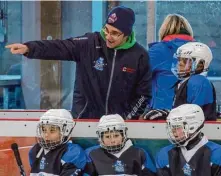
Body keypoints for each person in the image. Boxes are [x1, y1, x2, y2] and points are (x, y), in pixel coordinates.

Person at [5, 6, 151, 119]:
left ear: (127, 34)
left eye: (114, 33)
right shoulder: (89, 44)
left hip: (118, 130)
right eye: (106, 30)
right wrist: (29, 48)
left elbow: (143, 94)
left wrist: (126, 119)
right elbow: (59, 47)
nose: (108, 36)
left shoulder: (139, 56)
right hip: (84, 121)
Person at [144, 42, 216, 120]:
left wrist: (168, 114)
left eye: (185, 61)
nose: (179, 64)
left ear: (200, 64)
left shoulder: (198, 82)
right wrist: (167, 113)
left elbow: (194, 115)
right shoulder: (185, 82)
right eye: (179, 60)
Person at [154, 104, 221, 176]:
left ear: (193, 126)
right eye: (172, 127)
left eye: (177, 127)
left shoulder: (219, 155)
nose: (173, 132)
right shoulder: (164, 155)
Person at [84, 114, 156, 175]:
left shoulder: (140, 153)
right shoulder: (91, 154)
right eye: (107, 137)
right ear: (101, 138)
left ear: (124, 135)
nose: (112, 140)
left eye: (116, 136)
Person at [148, 14, 194, 110]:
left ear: (164, 31)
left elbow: (139, 80)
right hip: (191, 112)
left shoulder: (157, 51)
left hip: (161, 113)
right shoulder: (198, 52)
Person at [29, 109, 87, 175]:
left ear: (65, 131)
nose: (46, 135)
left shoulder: (72, 152)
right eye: (44, 130)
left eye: (52, 130)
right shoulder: (36, 150)